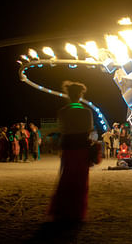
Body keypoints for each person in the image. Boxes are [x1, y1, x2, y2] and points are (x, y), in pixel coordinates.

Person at [47, 81, 94, 222]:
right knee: (80, 181)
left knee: (66, 179)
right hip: (81, 149)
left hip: (68, 148)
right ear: (80, 95)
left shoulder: (62, 112)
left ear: (68, 95)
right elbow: (88, 130)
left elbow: (62, 130)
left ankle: (62, 211)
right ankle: (77, 212)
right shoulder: (86, 112)